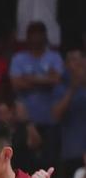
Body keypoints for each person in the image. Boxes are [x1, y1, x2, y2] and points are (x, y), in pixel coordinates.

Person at [10, 21, 64, 170]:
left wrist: (28, 78)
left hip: (50, 120)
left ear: (45, 36)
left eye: (39, 33)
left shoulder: (54, 57)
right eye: (33, 34)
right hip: (26, 121)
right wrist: (45, 80)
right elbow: (16, 83)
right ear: (27, 37)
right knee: (25, 165)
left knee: (49, 165)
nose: (36, 37)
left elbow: (56, 80)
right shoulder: (19, 58)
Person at [52, 48, 86, 178]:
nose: (75, 63)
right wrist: (73, 88)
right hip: (73, 152)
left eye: (77, 59)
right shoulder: (61, 88)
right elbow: (56, 115)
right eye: (71, 60)